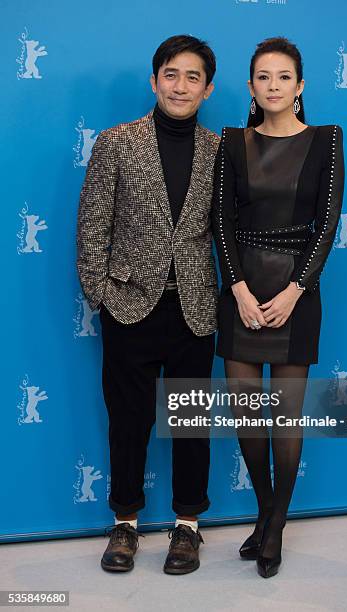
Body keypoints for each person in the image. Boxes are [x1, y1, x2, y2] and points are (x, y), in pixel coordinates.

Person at [76, 34, 219, 575]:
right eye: (171, 74)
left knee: (190, 422)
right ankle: (126, 523)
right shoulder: (117, 142)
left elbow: (222, 231)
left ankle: (188, 528)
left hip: (195, 309)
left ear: (208, 89)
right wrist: (103, 297)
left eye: (192, 77)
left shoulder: (218, 150)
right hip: (130, 306)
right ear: (154, 80)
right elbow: (91, 227)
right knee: (129, 420)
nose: (180, 85)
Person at [211, 37, 344, 578]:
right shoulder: (232, 141)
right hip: (241, 291)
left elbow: (328, 222)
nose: (273, 86)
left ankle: (275, 526)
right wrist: (239, 289)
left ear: (300, 85)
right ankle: (268, 515)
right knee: (248, 419)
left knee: (286, 420)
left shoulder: (326, 140)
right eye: (263, 77)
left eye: (283, 77)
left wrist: (295, 291)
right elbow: (220, 222)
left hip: (297, 292)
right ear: (251, 87)